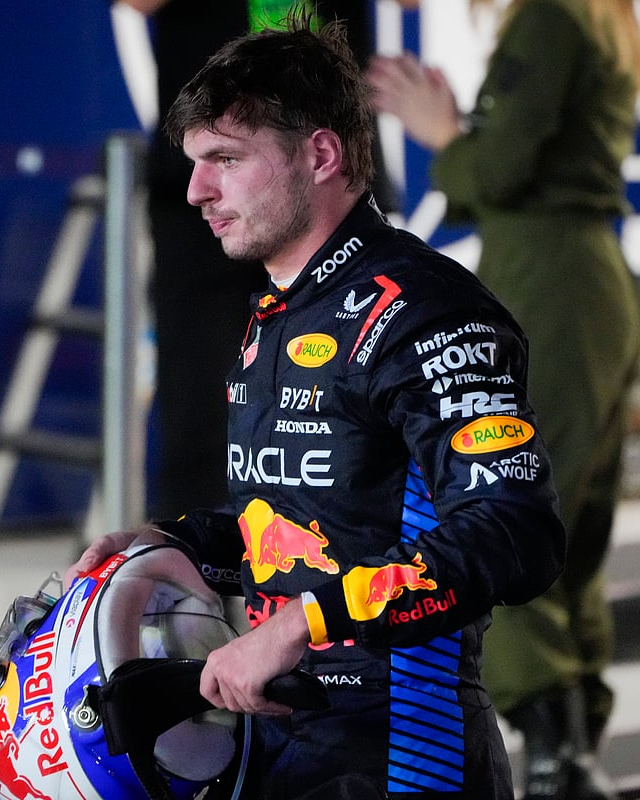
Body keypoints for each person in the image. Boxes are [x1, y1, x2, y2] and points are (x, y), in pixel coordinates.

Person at [72, 9, 565, 798]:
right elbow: (317, 526)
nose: (198, 190)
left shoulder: (426, 311)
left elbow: (516, 531)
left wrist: (306, 624)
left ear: (322, 154)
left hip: (408, 759)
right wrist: (170, 541)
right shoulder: (278, 314)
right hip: (289, 753)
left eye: (227, 159)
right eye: (196, 162)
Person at [366, 2, 640, 798]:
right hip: (592, 276)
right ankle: (575, 750)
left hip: (550, 277)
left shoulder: (552, 17)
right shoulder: (600, 18)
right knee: (573, 533)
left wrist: (446, 134)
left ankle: (559, 758)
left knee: (510, 517)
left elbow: (498, 170)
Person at [124, 0, 399, 519]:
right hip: (212, 205)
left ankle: (338, 556)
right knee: (203, 391)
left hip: (326, 181)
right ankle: (195, 570)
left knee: (347, 383)